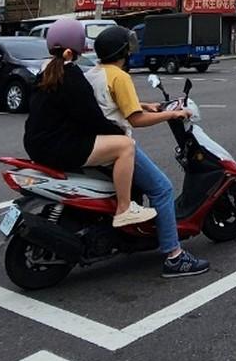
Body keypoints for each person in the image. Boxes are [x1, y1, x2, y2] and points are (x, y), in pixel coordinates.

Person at [86, 25, 212, 279]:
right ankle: (174, 256)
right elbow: (136, 119)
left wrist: (145, 104)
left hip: (96, 142)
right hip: (116, 144)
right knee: (162, 189)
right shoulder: (119, 77)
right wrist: (173, 113)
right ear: (123, 52)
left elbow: (109, 104)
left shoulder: (93, 73)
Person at [22, 19, 155, 228]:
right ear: (77, 47)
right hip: (59, 146)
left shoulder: (44, 73)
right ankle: (124, 208)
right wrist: (117, 132)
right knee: (125, 146)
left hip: (36, 144)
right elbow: (91, 118)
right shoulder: (72, 76)